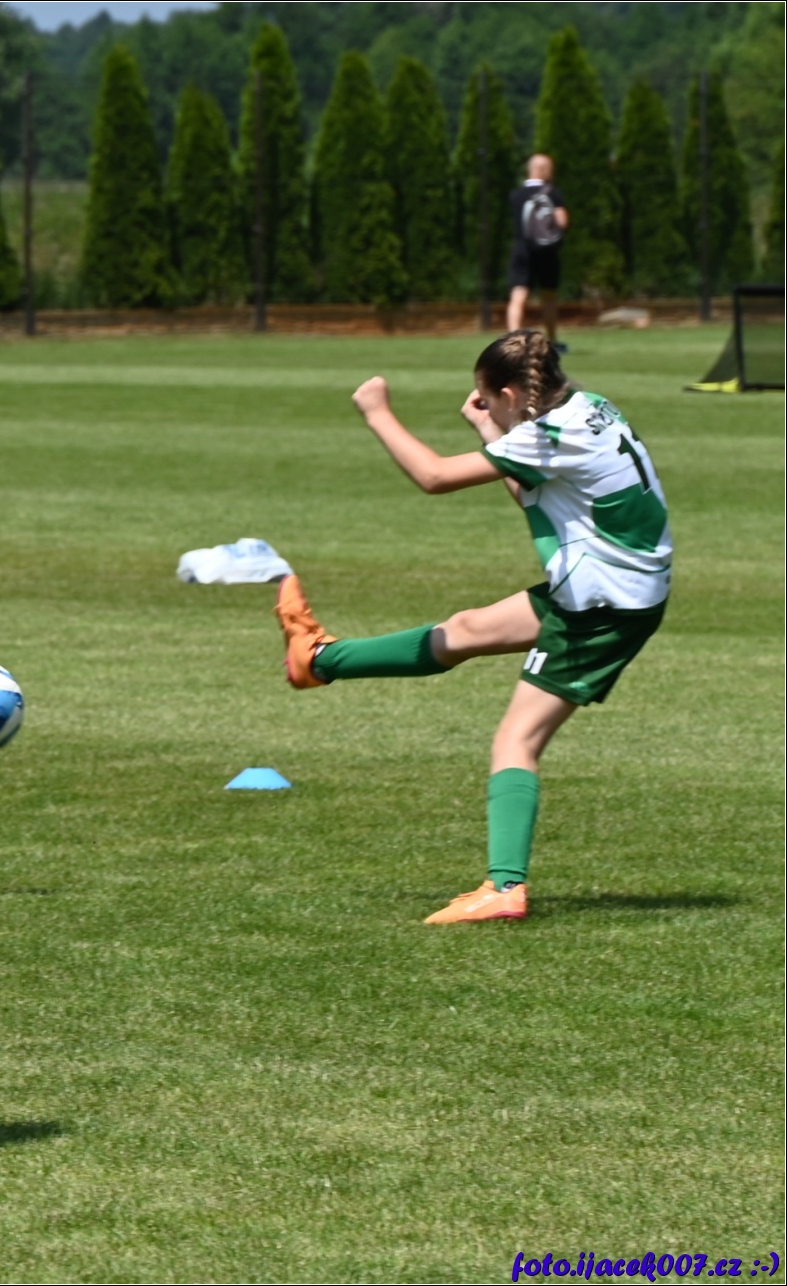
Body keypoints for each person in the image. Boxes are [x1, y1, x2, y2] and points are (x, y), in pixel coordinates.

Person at [275, 331, 671, 925]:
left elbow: (433, 475)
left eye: (490, 400)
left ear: (509, 395)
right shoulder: (587, 407)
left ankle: (504, 887)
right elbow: (531, 485)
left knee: (516, 741)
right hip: (614, 586)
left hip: (600, 606)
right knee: (464, 631)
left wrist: (377, 411)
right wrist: (491, 430)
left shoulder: (551, 434)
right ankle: (318, 659)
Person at [505, 154, 570, 347]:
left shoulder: (516, 195)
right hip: (546, 250)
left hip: (522, 248)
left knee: (518, 295)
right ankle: (552, 341)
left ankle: (513, 343)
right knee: (548, 296)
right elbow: (563, 221)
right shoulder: (552, 193)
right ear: (543, 170)